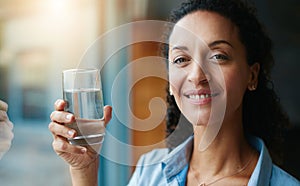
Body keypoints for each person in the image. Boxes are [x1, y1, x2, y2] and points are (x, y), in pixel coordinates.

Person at [49, 0, 300, 185]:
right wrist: (85, 168)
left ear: (252, 75)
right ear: (170, 80)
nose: (196, 75)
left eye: (218, 56)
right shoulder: (149, 172)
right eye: (181, 60)